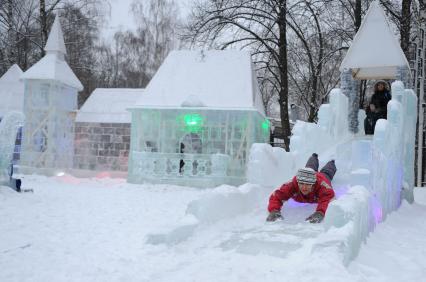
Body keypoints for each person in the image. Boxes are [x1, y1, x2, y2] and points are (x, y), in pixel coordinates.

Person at [266, 153, 336, 223]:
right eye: (301, 183)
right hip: (309, 174)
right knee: (310, 167)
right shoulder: (291, 185)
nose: (304, 187)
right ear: (298, 182)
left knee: (327, 172)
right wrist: (274, 210)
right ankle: (314, 156)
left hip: (323, 176)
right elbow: (276, 196)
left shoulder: (323, 186)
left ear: (313, 184)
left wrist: (320, 212)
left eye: (308, 184)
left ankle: (331, 162)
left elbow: (327, 200)